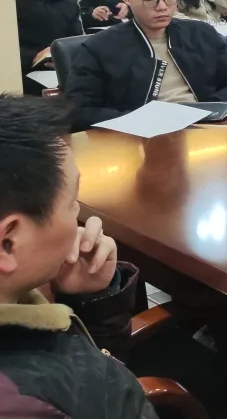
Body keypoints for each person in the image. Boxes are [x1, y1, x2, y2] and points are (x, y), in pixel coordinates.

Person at [0, 95, 156, 418]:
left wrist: (90, 301)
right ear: (8, 243)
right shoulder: (27, 405)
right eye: (72, 202)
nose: (79, 217)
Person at [65, 0, 227, 132]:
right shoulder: (99, 47)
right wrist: (139, 119)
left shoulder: (201, 33)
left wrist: (204, 108)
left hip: (205, 127)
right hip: (137, 136)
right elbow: (79, 110)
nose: (162, 7)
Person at [14, 0, 83, 95]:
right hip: (22, 73)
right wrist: (33, 57)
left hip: (63, 71)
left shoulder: (66, 0)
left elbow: (76, 39)